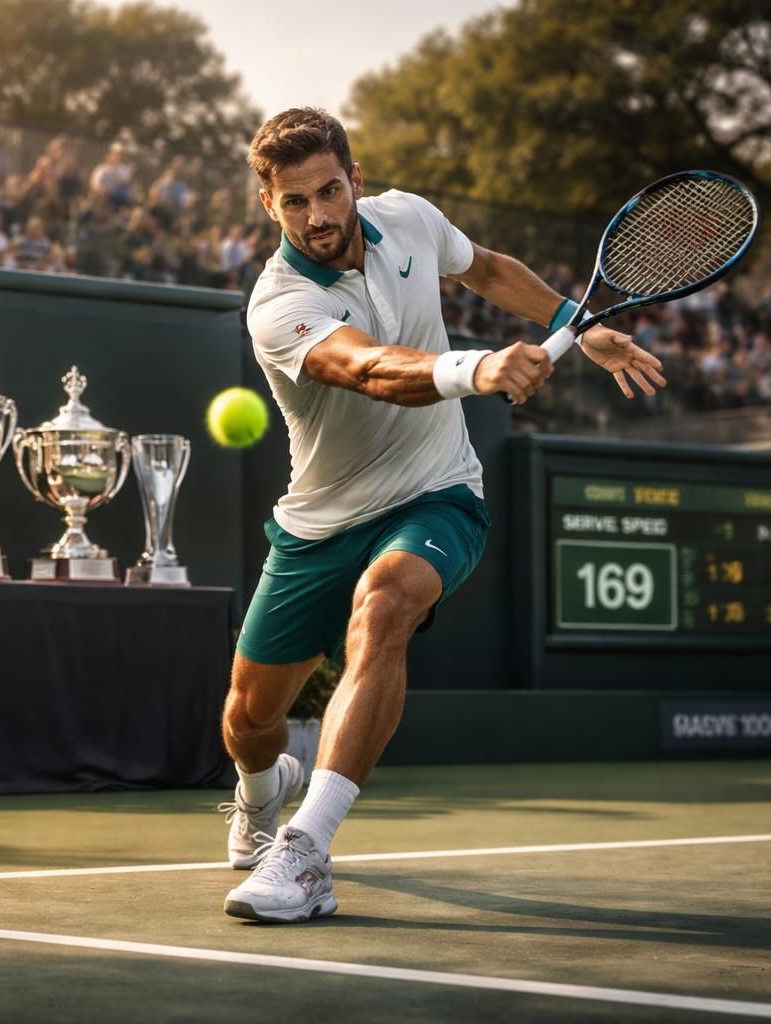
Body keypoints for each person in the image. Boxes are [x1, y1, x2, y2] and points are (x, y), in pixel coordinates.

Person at [219, 108, 666, 923]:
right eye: (295, 202)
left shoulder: (411, 218)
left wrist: (575, 324)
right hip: (319, 521)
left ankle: (308, 851)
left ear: (354, 181)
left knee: (385, 604)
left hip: (437, 492)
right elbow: (370, 369)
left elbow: (486, 268)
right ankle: (265, 790)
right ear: (268, 205)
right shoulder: (276, 305)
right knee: (249, 722)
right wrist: (481, 367)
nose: (317, 216)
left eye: (329, 192)